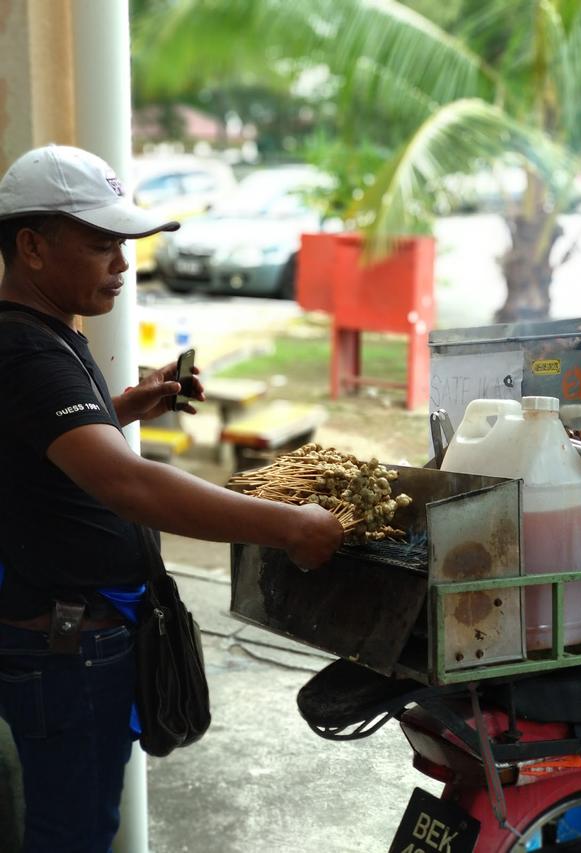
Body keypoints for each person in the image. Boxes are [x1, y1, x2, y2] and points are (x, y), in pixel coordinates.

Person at [0, 144, 343, 853]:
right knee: (73, 834)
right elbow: (130, 484)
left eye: (125, 247)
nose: (123, 266)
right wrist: (289, 525)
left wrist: (121, 407)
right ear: (32, 247)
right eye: (102, 247)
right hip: (67, 649)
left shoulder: (41, 335)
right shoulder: (26, 353)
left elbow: (36, 445)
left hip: (72, 638)